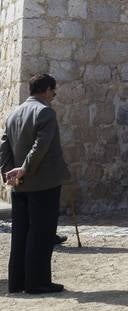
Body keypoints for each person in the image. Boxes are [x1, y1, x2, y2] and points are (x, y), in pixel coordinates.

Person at [0, 73, 70, 294]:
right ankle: (37, 282)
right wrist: (24, 169)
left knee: (20, 233)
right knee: (41, 233)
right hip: (43, 184)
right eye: (53, 91)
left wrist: (9, 174)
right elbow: (41, 146)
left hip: (20, 185)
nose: (54, 95)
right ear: (47, 89)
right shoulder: (45, 113)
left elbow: (4, 147)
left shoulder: (13, 114)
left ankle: (17, 282)